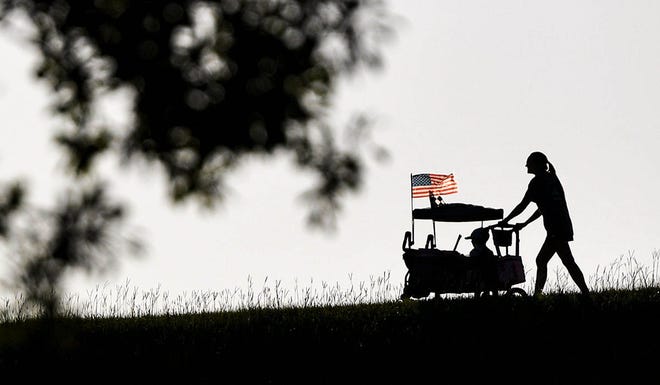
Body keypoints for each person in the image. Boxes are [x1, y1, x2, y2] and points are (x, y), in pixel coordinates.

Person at [498, 151, 590, 297]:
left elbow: (523, 205)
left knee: (548, 260)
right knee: (563, 261)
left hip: (555, 228)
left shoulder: (537, 182)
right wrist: (525, 224)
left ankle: (539, 295)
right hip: (563, 225)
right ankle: (584, 292)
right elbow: (543, 208)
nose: (527, 166)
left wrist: (506, 220)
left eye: (529, 164)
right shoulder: (552, 178)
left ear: (535, 165)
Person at [465, 227, 498, 295]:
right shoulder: (490, 252)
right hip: (490, 279)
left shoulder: (474, 253)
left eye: (473, 239)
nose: (472, 242)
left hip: (479, 279)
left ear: (477, 240)